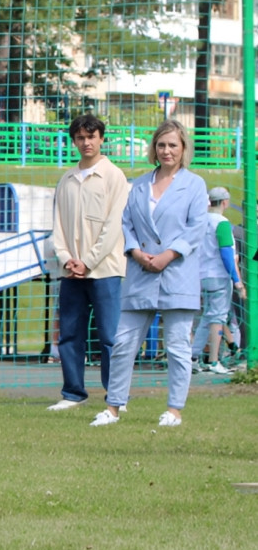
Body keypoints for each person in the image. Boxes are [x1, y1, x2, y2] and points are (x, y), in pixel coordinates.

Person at [92, 119, 209, 428]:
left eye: (172, 145)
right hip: (140, 272)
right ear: (153, 149)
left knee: (177, 346)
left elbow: (196, 228)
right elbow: (126, 222)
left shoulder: (194, 184)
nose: (166, 150)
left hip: (177, 273)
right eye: (161, 145)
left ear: (183, 148)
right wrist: (135, 252)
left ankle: (174, 410)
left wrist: (169, 255)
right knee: (123, 343)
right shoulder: (141, 184)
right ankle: (113, 406)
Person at [47, 114, 129, 411]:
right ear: (74, 141)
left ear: (101, 139)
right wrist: (67, 259)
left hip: (105, 270)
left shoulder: (114, 176)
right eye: (80, 138)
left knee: (109, 336)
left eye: (91, 137)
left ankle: (116, 396)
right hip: (71, 272)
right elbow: (57, 227)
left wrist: (89, 261)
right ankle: (72, 393)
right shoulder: (67, 179)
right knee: (70, 334)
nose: (86, 143)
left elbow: (115, 224)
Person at [195, 186, 244, 375]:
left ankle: (193, 355)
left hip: (202, 275)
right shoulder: (222, 223)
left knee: (207, 317)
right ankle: (214, 360)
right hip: (219, 276)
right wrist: (236, 280)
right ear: (225, 202)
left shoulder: (201, 221)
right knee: (217, 318)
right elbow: (226, 253)